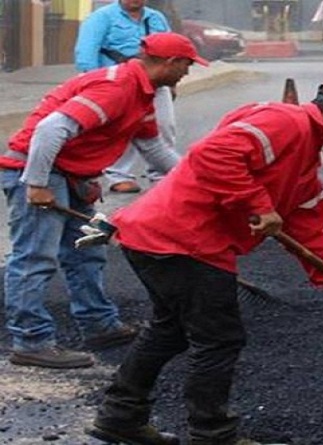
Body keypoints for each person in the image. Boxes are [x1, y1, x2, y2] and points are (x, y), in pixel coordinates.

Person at [84, 77, 323, 445]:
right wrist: (258, 205)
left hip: (160, 236)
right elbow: (213, 154)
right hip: (182, 240)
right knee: (218, 339)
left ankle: (120, 418)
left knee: (170, 330)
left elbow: (307, 232)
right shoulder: (287, 122)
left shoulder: (305, 161)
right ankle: (212, 435)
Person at [0, 32, 206, 369]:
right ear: (170, 62)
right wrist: (36, 184)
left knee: (88, 250)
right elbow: (51, 130)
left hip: (71, 175)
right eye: (186, 65)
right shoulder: (117, 87)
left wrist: (198, 181)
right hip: (39, 169)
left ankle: (99, 325)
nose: (187, 72)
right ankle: (31, 341)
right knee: (36, 257)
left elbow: (154, 149)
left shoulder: (142, 94)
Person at [75, 0, 173, 193]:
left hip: (155, 81)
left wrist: (172, 81)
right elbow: (86, 52)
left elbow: (171, 49)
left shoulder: (156, 18)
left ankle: (161, 175)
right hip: (119, 83)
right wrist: (94, 83)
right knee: (123, 128)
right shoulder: (101, 17)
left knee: (164, 126)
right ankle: (118, 175)